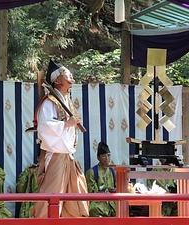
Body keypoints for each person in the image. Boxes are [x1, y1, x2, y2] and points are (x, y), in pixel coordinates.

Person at [31, 59, 89, 218]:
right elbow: (45, 127)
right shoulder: (49, 102)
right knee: (51, 199)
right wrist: (66, 124)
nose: (70, 74)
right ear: (57, 81)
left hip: (68, 157)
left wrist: (70, 125)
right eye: (65, 73)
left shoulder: (66, 101)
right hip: (56, 156)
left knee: (77, 197)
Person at [85, 140, 116, 217]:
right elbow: (91, 194)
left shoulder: (112, 171)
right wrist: (106, 190)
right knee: (94, 209)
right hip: (98, 203)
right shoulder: (92, 172)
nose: (107, 158)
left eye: (108, 155)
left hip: (111, 202)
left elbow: (116, 187)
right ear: (98, 158)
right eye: (104, 156)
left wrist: (114, 189)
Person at [16, 142, 40, 218]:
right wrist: (28, 174)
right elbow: (19, 189)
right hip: (32, 207)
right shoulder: (31, 170)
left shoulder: (54, 172)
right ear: (38, 158)